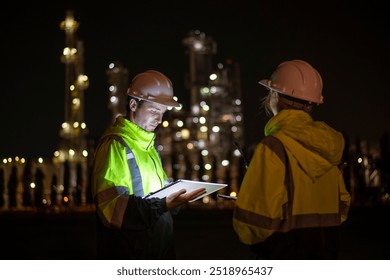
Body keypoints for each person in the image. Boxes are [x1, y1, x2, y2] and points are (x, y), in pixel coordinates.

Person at [232, 59, 351, 259]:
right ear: (312, 103)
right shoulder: (330, 147)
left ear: (276, 97)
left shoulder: (273, 147)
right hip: (327, 254)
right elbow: (343, 206)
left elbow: (252, 225)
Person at [91, 70, 206, 259]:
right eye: (154, 111)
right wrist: (162, 205)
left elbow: (156, 192)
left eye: (163, 113)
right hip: (130, 255)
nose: (159, 120)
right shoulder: (116, 145)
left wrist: (179, 194)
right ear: (134, 104)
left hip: (158, 250)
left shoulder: (148, 146)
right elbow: (112, 210)